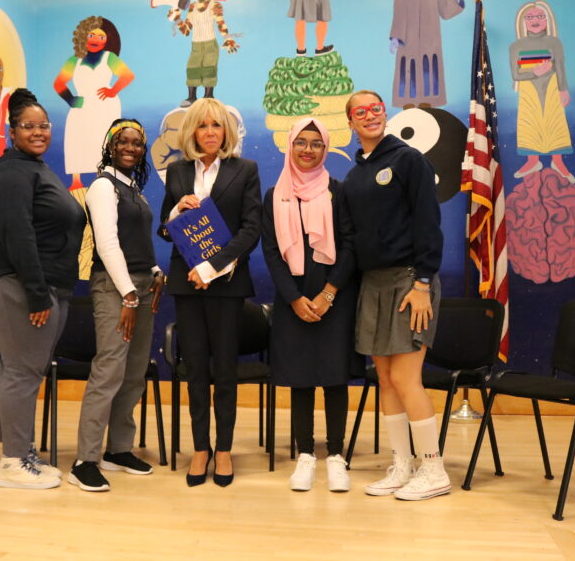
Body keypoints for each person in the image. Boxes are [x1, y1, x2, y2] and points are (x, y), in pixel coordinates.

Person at [0, 87, 87, 490]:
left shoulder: (35, 167)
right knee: (23, 370)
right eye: (28, 126)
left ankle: (22, 452)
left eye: (43, 125)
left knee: (23, 369)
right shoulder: (11, 172)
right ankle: (12, 463)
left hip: (44, 283)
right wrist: (38, 293)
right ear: (12, 129)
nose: (38, 132)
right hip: (16, 282)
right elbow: (17, 235)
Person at [342, 90, 449, 501]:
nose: (370, 116)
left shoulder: (408, 160)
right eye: (360, 112)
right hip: (374, 283)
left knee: (406, 377)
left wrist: (422, 283)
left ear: (385, 114)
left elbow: (428, 222)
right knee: (385, 379)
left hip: (410, 282)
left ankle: (433, 468)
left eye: (376, 109)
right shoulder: (354, 176)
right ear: (350, 122)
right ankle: (402, 465)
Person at [159, 98, 262, 487]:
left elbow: (251, 229)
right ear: (192, 133)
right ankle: (200, 448)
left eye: (216, 126)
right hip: (186, 284)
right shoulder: (177, 172)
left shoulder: (246, 170)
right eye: (202, 126)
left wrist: (211, 267)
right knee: (196, 369)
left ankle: (224, 450)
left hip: (227, 285)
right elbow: (164, 229)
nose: (210, 132)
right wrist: (175, 210)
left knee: (225, 371)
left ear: (227, 131)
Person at [261, 117, 360, 492]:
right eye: (301, 142)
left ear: (326, 149)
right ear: (290, 146)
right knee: (300, 378)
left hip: (335, 295)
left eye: (316, 144)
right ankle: (305, 455)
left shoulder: (340, 192)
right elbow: (271, 252)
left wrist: (329, 293)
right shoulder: (274, 195)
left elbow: (351, 245)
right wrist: (294, 298)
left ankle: (335, 456)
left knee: (335, 377)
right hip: (293, 299)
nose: (307, 150)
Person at [69, 119, 166, 492]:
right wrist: (127, 293)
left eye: (136, 143)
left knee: (134, 371)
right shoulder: (102, 186)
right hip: (115, 289)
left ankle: (119, 449)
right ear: (110, 146)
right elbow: (107, 244)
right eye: (122, 141)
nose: (130, 147)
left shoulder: (134, 189)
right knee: (109, 369)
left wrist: (154, 271)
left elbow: (136, 242)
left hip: (140, 285)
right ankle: (85, 460)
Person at [52, 16, 135, 190]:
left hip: (106, 106)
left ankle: (103, 176)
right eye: (92, 35)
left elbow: (127, 76)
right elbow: (59, 83)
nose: (96, 40)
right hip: (82, 107)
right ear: (83, 36)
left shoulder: (109, 58)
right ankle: (76, 181)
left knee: (104, 141)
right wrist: (71, 99)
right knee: (77, 139)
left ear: (107, 41)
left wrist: (112, 90)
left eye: (101, 37)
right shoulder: (74, 60)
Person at [389, 0, 467, 109]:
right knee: (408, 70)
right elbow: (398, 17)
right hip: (408, 44)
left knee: (429, 70)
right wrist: (395, 39)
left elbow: (445, 12)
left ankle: (429, 102)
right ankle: (408, 103)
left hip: (430, 43)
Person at [509, 0, 574, 182]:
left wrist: (564, 89)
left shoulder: (554, 43)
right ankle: (532, 160)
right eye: (530, 17)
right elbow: (515, 75)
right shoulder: (516, 46)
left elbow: (560, 66)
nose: (535, 20)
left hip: (552, 87)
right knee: (530, 122)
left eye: (540, 16)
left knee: (555, 121)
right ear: (523, 21)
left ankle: (558, 161)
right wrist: (533, 72)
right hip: (529, 89)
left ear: (547, 20)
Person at [167, 0, 239, 107]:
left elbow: (221, 24)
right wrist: (178, 18)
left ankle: (208, 97)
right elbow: (186, 31)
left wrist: (227, 39)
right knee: (192, 68)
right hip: (196, 45)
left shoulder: (215, 5)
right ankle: (191, 97)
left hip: (210, 45)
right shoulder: (192, 7)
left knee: (209, 69)